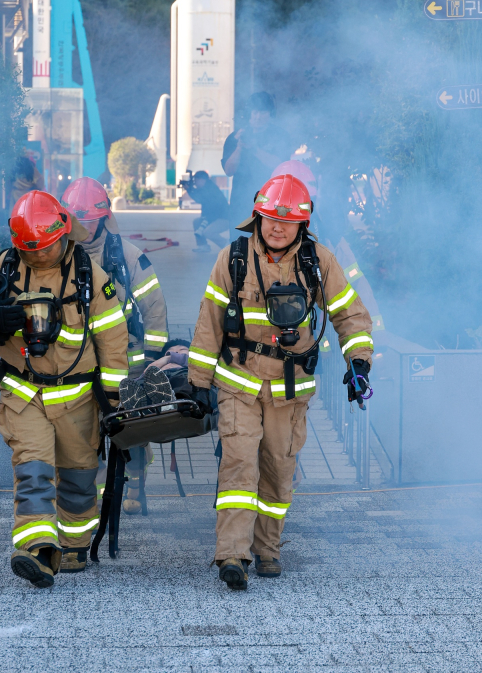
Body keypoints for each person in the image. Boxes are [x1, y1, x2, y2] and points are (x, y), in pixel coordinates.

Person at [188, 174, 374, 590]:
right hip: (239, 381)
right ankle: (232, 555)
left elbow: (350, 315)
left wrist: (359, 363)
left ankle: (267, 549)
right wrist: (199, 381)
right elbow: (209, 320)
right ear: (257, 215)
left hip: (290, 390)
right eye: (270, 218)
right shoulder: (232, 257)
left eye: (286, 222)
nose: (276, 227)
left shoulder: (318, 262)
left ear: (302, 225)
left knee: (277, 470)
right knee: (238, 465)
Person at [0, 190, 128, 588]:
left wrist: (114, 403)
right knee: (33, 471)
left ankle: (74, 546)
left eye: (44, 248)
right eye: (31, 250)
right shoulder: (4, 266)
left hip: (78, 399)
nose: (39, 256)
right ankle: (39, 549)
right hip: (24, 394)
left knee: (79, 479)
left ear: (62, 233)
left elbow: (113, 340)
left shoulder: (89, 275)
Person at [61, 177, 169, 514]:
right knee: (84, 431)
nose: (84, 228)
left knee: (131, 428)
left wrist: (152, 356)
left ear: (104, 217)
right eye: (78, 220)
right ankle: (97, 494)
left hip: (127, 360)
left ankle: (135, 485)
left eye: (91, 220)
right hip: (79, 362)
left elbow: (154, 306)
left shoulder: (128, 256)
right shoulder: (60, 254)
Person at [222, 92, 289, 228]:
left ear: (270, 114)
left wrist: (254, 149)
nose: (258, 117)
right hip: (240, 202)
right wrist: (239, 148)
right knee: (239, 243)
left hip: (272, 200)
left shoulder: (280, 136)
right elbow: (228, 170)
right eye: (255, 112)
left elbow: (280, 166)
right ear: (249, 113)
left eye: (263, 112)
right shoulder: (234, 138)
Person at [184, 170, 230, 254]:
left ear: (202, 180)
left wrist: (189, 190)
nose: (195, 183)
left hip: (224, 219)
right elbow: (199, 196)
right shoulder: (206, 187)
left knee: (208, 232)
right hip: (214, 217)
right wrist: (190, 189)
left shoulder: (210, 189)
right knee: (197, 222)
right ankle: (203, 246)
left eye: (196, 181)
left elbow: (199, 198)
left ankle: (229, 247)